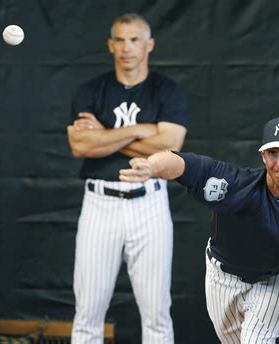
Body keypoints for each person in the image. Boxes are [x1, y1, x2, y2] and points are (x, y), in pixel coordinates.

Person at [119, 115, 279, 343]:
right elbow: (185, 165)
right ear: (263, 156)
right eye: (273, 153)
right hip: (223, 275)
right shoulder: (239, 186)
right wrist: (151, 167)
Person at [66, 13, 188, 344]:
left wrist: (104, 134)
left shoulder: (167, 90)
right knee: (88, 312)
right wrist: (139, 131)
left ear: (149, 44)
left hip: (149, 201)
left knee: (157, 314)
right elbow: (80, 145)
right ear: (110, 45)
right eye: (119, 40)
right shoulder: (92, 90)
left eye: (134, 40)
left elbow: (170, 145)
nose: (127, 48)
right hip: (99, 203)